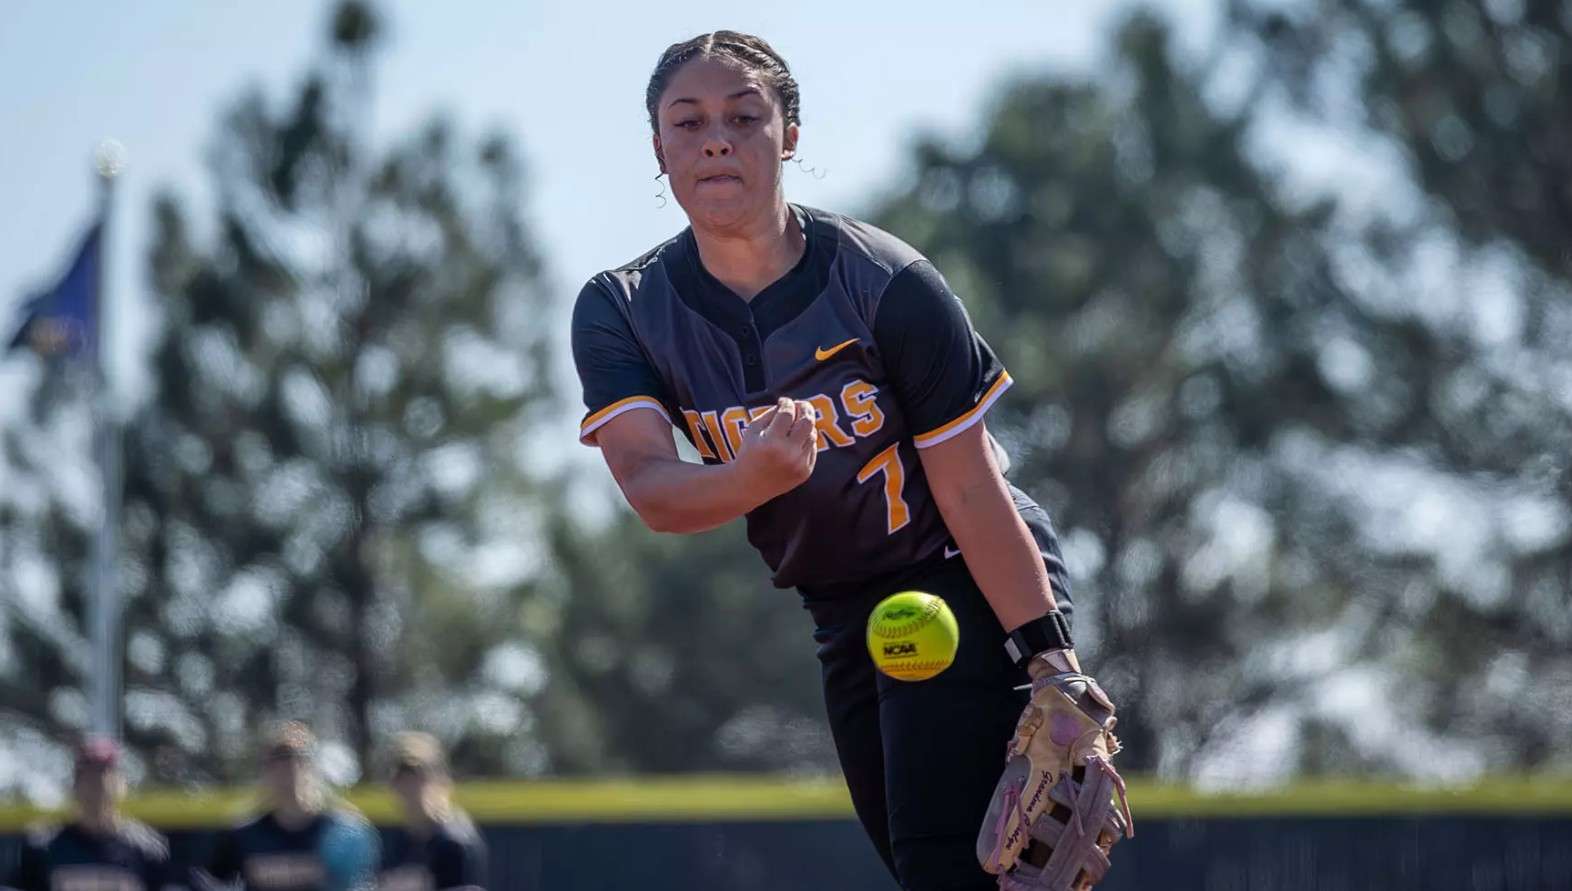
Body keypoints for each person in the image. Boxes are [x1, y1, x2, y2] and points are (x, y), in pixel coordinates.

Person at [570, 30, 1126, 891]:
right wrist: (749, 479)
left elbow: (971, 487)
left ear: (789, 134)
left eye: (743, 116)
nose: (715, 140)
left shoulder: (884, 280)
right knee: (931, 867)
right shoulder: (623, 308)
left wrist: (1052, 661)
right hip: (840, 610)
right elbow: (650, 487)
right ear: (658, 148)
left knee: (942, 866)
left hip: (961, 575)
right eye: (688, 122)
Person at [197, 722, 378, 891]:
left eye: (298, 764)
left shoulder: (344, 834)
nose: (289, 775)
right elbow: (209, 882)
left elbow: (367, 880)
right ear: (266, 774)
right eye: (279, 766)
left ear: (313, 770)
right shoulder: (242, 837)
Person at [2, 738, 172, 891]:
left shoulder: (146, 850)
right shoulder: (43, 848)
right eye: (89, 779)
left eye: (104, 778)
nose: (97, 788)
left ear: (121, 785)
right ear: (75, 786)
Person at [377, 733, 487, 891]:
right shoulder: (403, 841)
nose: (409, 786)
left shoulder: (454, 843)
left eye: (416, 775)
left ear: (439, 780)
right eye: (401, 777)